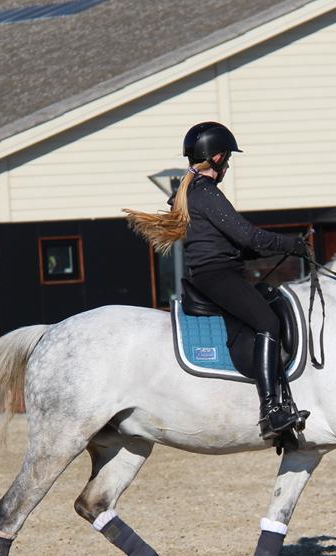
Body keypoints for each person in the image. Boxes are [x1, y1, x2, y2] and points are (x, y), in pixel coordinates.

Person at [124, 121, 310, 439]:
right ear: (218, 157)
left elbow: (231, 245)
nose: (229, 165)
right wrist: (291, 244)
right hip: (217, 277)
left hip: (218, 272)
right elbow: (248, 235)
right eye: (228, 159)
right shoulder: (206, 193)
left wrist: (264, 251)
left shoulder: (194, 192)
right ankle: (271, 411)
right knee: (268, 322)